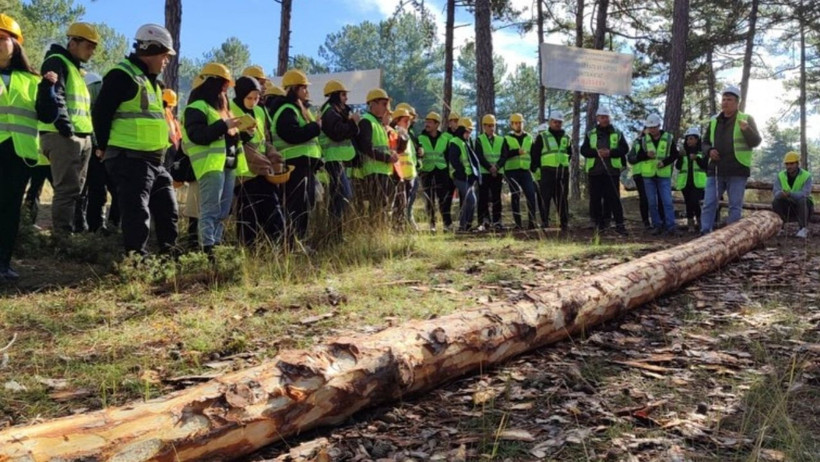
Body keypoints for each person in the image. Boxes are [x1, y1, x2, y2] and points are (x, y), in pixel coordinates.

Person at [94, 23, 178, 257]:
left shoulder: (149, 80)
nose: (167, 61)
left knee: (167, 207)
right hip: (129, 157)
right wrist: (102, 146)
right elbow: (101, 112)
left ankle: (169, 254)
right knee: (137, 211)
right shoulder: (122, 75)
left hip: (153, 160)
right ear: (151, 50)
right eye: (165, 55)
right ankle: (136, 259)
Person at [0, 14, 59, 280]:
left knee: (10, 209)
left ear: (16, 44)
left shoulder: (32, 80)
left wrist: (48, 89)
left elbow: (48, 116)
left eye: (2, 38)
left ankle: (3, 263)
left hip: (18, 154)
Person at [37, 22, 98, 235]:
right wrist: (66, 128)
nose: (92, 51)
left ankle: (74, 232)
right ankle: (63, 238)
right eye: (89, 46)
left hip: (79, 136)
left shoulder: (76, 69)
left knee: (77, 191)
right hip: (63, 136)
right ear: (73, 42)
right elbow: (55, 95)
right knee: (66, 190)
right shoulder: (57, 61)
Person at [182, 63, 242, 255]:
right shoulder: (197, 107)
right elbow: (197, 135)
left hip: (228, 165)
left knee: (223, 212)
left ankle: (216, 245)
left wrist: (242, 131)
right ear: (211, 83)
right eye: (224, 84)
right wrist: (223, 126)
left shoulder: (221, 109)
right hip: (210, 165)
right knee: (210, 211)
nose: (226, 89)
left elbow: (227, 137)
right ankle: (208, 250)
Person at [231, 75, 286, 247]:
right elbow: (237, 143)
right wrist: (263, 163)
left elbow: (264, 140)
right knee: (248, 216)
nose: (253, 102)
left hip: (264, 172)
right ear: (240, 95)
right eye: (249, 98)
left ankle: (277, 249)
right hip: (244, 175)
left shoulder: (260, 111)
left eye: (256, 98)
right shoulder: (230, 109)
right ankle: (249, 252)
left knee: (272, 211)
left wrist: (274, 155)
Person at [700, 85, 762, 234]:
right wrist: (709, 151)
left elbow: (756, 142)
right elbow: (705, 142)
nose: (725, 102)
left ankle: (731, 236)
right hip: (715, 169)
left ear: (737, 103)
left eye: (729, 99)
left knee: (734, 205)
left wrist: (746, 130)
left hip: (737, 170)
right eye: (724, 99)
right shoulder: (714, 121)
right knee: (709, 203)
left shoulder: (746, 119)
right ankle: (704, 232)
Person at [270, 69, 322, 244]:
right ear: (293, 89)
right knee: (296, 207)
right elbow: (292, 135)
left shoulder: (299, 109)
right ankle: (293, 243)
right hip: (294, 167)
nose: (307, 91)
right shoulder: (286, 110)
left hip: (303, 166)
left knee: (304, 206)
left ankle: (298, 242)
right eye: (303, 87)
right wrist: (315, 127)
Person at [77, 71, 119, 233]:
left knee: (97, 189)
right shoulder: (96, 84)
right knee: (101, 189)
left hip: (100, 147)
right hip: (101, 148)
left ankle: (98, 226)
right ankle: (101, 226)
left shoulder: (91, 84)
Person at [319, 79, 358, 236]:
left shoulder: (334, 111)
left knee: (340, 198)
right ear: (335, 96)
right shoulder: (329, 112)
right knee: (342, 197)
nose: (346, 98)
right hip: (332, 161)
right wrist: (353, 123)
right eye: (343, 95)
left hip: (338, 161)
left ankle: (336, 234)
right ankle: (334, 234)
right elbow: (338, 134)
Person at [580, 106, 629, 235]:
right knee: (595, 198)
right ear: (597, 118)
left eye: (606, 117)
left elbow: (624, 149)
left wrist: (610, 152)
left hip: (612, 171)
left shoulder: (617, 133)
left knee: (614, 198)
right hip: (595, 171)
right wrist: (597, 153)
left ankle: (619, 224)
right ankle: (598, 224)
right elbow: (583, 150)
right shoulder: (590, 134)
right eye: (602, 117)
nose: (604, 119)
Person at [354, 88, 397, 221]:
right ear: (373, 104)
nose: (386, 107)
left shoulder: (377, 123)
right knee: (378, 205)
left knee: (382, 204)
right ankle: (375, 232)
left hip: (382, 170)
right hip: (373, 171)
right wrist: (387, 158)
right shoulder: (366, 121)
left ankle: (379, 231)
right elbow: (367, 148)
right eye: (384, 104)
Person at [633, 114, 679, 236]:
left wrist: (664, 163)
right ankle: (657, 225)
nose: (652, 130)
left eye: (654, 127)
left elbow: (675, 154)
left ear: (659, 126)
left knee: (667, 201)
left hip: (663, 175)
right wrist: (646, 155)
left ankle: (671, 226)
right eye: (650, 127)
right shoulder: (643, 140)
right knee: (652, 202)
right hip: (648, 175)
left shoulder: (668, 138)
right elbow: (637, 157)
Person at [531, 110, 571, 230]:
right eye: (555, 122)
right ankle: (544, 222)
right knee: (545, 198)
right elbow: (535, 154)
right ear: (550, 122)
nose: (557, 124)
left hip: (562, 172)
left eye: (560, 122)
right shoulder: (542, 136)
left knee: (562, 198)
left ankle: (564, 223)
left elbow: (570, 153)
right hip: (547, 171)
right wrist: (536, 170)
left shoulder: (567, 137)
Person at [498, 113, 537, 230]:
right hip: (511, 171)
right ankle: (518, 224)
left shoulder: (529, 137)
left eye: (520, 122)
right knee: (516, 195)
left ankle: (532, 222)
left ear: (523, 123)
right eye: (515, 123)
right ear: (511, 125)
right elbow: (504, 155)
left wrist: (534, 168)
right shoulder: (507, 138)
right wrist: (516, 152)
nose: (518, 125)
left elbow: (533, 154)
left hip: (525, 171)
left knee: (531, 194)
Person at [417, 111, 453, 232]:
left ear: (437, 124)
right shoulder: (420, 138)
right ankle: (432, 225)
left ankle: (447, 224)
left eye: (430, 122)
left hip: (442, 172)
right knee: (429, 199)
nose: (427, 124)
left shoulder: (445, 138)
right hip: (426, 172)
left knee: (444, 199)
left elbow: (449, 155)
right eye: (426, 122)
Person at [772, 151, 813, 239]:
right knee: (776, 201)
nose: (789, 166)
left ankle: (803, 228)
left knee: (803, 200)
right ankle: (780, 227)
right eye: (787, 164)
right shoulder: (780, 176)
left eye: (791, 164)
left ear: (797, 163)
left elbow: (805, 193)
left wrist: (790, 194)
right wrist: (780, 194)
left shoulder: (806, 176)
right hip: (787, 203)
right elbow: (775, 192)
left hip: (804, 205)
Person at [447, 118, 478, 231]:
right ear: (462, 130)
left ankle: (466, 226)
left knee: (468, 201)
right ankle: (463, 225)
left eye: (470, 132)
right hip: (460, 177)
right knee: (471, 199)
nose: (469, 134)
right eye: (468, 131)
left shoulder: (465, 142)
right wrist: (463, 173)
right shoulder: (455, 142)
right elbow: (454, 161)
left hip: (468, 177)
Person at [474, 114, 503, 230]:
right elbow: (479, 156)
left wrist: (497, 167)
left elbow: (504, 155)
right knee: (483, 197)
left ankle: (497, 221)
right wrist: (490, 168)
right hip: (484, 173)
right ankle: (483, 221)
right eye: (489, 126)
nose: (492, 128)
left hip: (497, 172)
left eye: (493, 125)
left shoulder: (501, 140)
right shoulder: (479, 140)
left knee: (497, 197)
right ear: (484, 127)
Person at [675, 126, 706, 233]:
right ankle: (690, 224)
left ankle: (700, 220)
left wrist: (696, 158)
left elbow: (705, 166)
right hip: (686, 183)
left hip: (698, 183)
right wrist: (679, 156)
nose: (689, 141)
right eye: (687, 139)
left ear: (697, 139)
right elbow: (678, 167)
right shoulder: (683, 152)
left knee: (695, 201)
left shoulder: (702, 151)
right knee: (688, 203)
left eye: (691, 138)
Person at [391, 107, 418, 228]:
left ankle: (401, 227)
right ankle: (398, 227)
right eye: (405, 120)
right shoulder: (395, 134)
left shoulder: (407, 135)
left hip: (410, 175)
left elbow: (411, 156)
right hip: (400, 175)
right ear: (397, 121)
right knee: (399, 205)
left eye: (409, 120)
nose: (408, 122)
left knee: (405, 204)